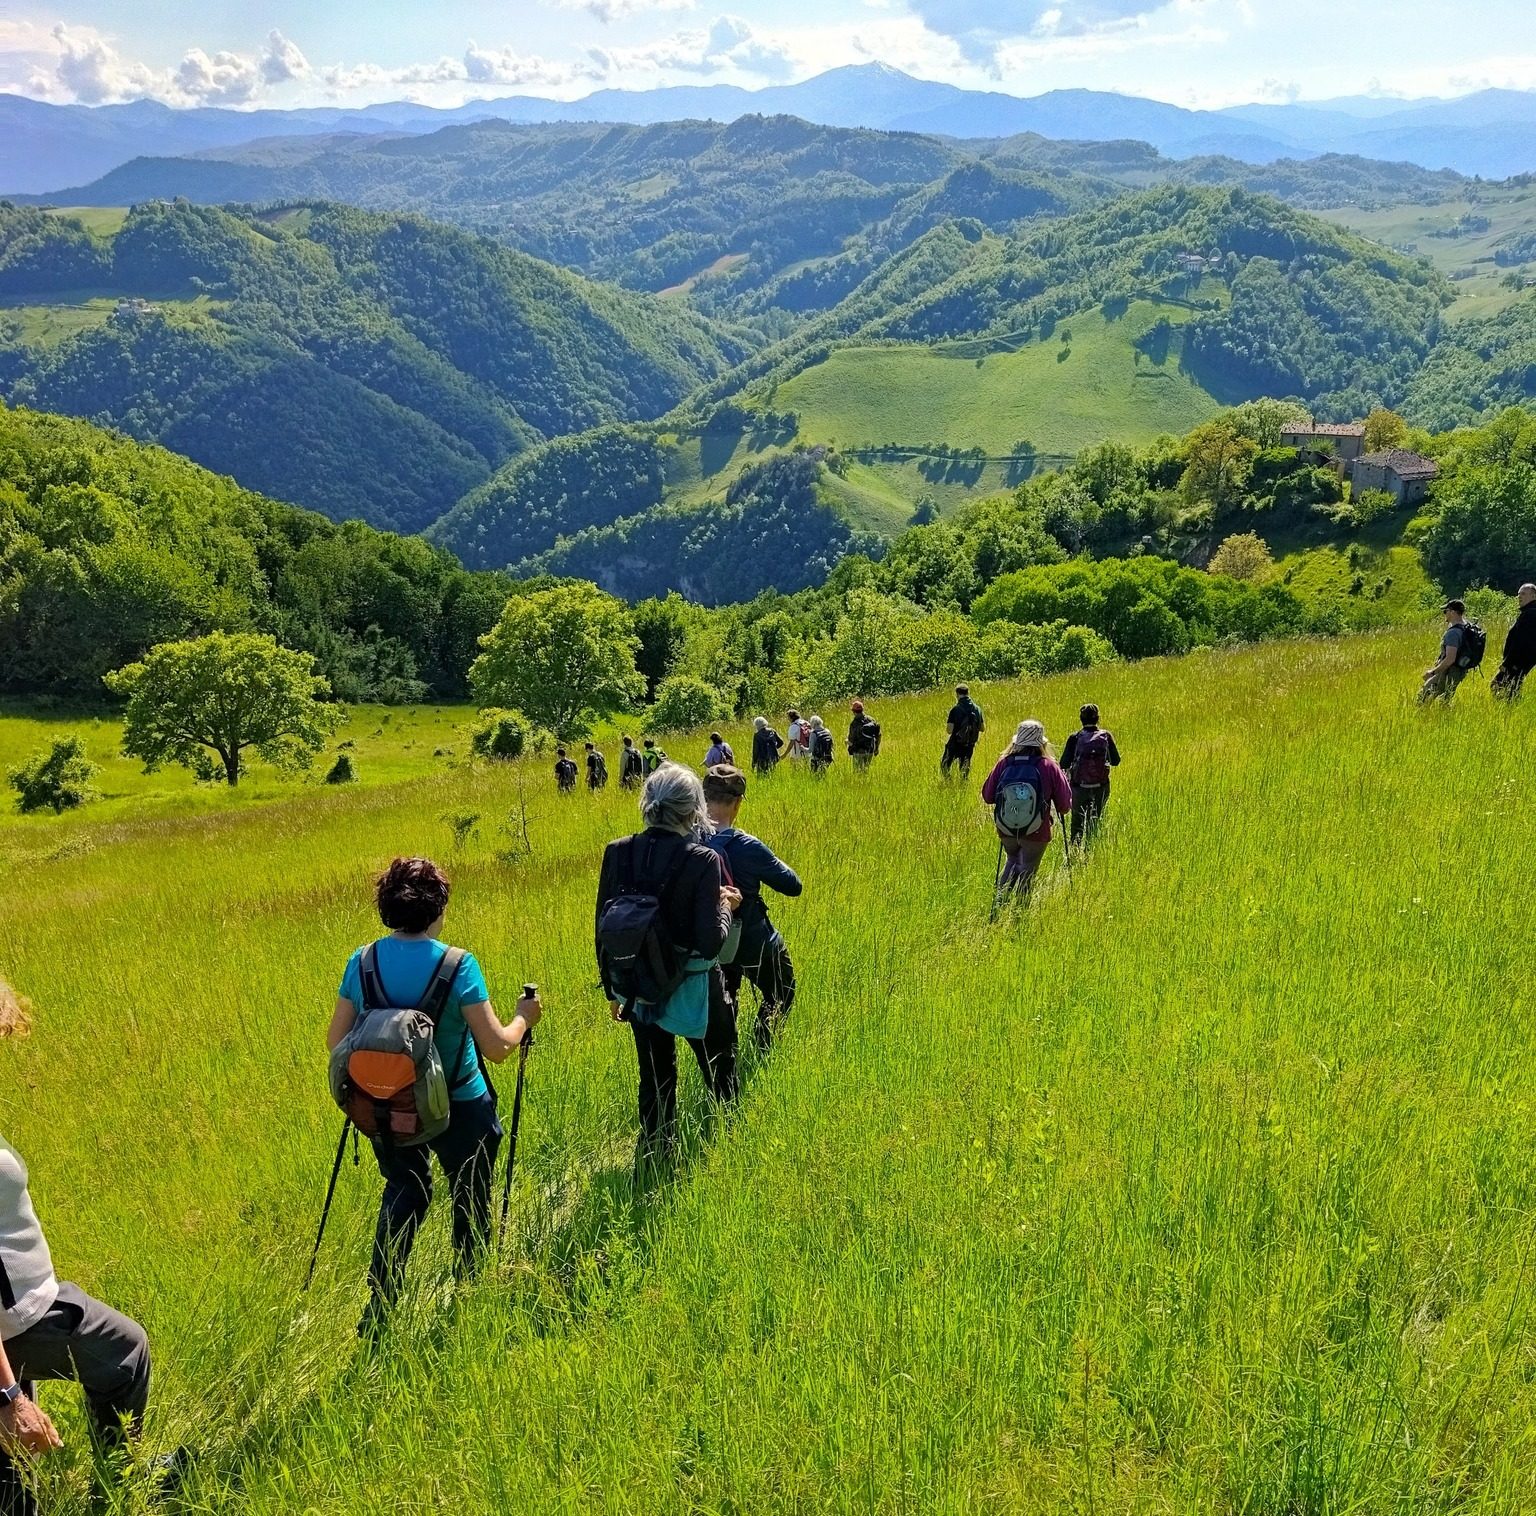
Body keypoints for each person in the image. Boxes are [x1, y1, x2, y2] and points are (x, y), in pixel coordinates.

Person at [327, 857, 541, 1331]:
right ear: (438, 908)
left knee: (405, 1189)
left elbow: (335, 1042)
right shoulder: (457, 964)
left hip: (387, 1104)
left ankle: (382, 1294)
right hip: (460, 1102)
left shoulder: (361, 962)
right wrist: (525, 1016)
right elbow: (498, 1047)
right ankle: (468, 1288)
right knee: (469, 1193)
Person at [2, 1128, 153, 1516]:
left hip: (22, 1309)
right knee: (125, 1352)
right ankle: (119, 1488)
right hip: (23, 1318)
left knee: (15, 1481)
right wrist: (8, 1397)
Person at [596, 766, 741, 1164]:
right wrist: (725, 906)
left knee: (656, 1078)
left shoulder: (618, 851)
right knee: (719, 1067)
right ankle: (728, 1148)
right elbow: (711, 942)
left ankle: (656, 1156)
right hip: (695, 983)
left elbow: (602, 927)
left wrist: (613, 990)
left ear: (648, 804)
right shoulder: (702, 859)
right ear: (694, 809)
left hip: (639, 983)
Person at [701, 766, 802, 1054]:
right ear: (738, 802)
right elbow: (793, 885)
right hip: (754, 942)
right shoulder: (746, 845)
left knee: (726, 1000)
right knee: (781, 992)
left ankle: (726, 1058)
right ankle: (762, 1047)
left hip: (712, 942)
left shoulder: (690, 843)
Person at [980, 719, 1072, 898]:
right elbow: (1065, 805)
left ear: (1017, 742)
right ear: (1042, 743)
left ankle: (999, 905)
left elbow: (987, 796)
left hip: (1006, 826)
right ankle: (1020, 914)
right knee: (1028, 869)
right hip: (1037, 828)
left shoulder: (1004, 763)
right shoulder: (1048, 766)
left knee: (1012, 861)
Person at [1060, 703, 1121, 847]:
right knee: (1094, 820)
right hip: (1100, 787)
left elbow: (1063, 764)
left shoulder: (1074, 738)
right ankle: (1091, 850)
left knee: (1077, 822)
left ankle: (1075, 852)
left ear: (1081, 719)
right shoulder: (1106, 736)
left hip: (1078, 787)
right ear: (1098, 718)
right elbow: (1116, 761)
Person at [1419, 600, 1473, 704]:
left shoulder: (1453, 633)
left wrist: (1433, 672)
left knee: (1423, 696)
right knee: (1445, 700)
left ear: (1453, 612)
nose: (1444, 614)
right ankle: (1444, 717)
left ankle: (1422, 718)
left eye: (1446, 611)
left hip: (1448, 671)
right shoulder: (1467, 627)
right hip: (1460, 671)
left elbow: (1450, 659)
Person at [1493, 583, 1536, 700]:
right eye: (1518, 594)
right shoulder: (1528, 613)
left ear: (1533, 596)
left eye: (1523, 594)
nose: (1519, 597)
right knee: (1511, 687)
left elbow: (1520, 642)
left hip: (1517, 661)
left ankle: (1509, 712)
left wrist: (1506, 663)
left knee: (1498, 685)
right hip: (1521, 660)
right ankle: (1510, 709)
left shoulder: (1530, 614)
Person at [940, 684, 985, 779]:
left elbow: (949, 730)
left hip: (955, 743)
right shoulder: (977, 709)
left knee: (945, 765)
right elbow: (982, 728)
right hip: (969, 744)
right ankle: (963, 786)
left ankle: (949, 783)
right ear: (968, 693)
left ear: (957, 694)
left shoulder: (955, 709)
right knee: (964, 770)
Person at [847, 700, 881, 770]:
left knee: (858, 773)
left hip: (858, 752)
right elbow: (879, 735)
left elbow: (851, 740)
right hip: (870, 751)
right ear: (862, 709)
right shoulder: (871, 720)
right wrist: (876, 748)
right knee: (866, 771)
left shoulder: (854, 724)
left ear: (853, 711)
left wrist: (847, 742)